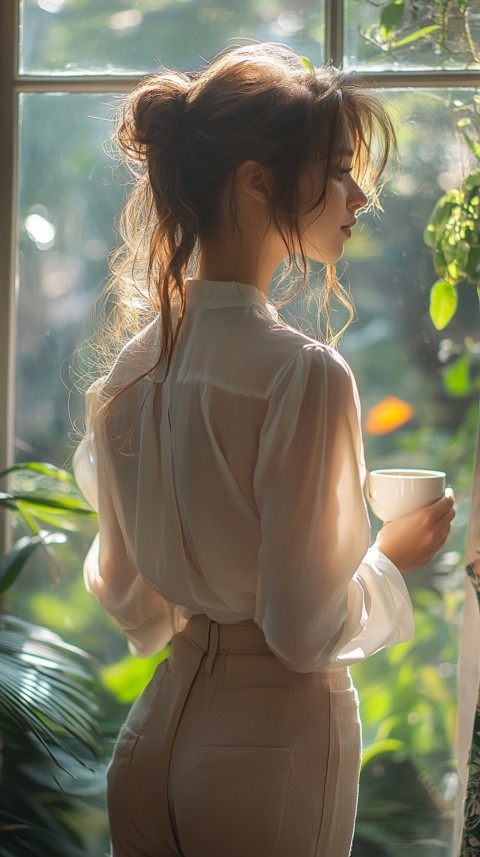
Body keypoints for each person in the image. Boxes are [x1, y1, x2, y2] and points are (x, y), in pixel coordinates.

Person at [73, 43, 456, 857]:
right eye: (338, 170)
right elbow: (303, 630)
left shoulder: (128, 373)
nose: (360, 196)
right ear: (255, 181)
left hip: (156, 736)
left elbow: (125, 592)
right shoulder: (303, 374)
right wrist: (392, 556)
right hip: (269, 749)